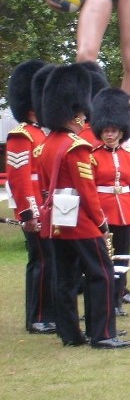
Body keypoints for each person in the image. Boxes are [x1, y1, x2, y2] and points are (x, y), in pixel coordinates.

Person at [37, 64, 130, 349]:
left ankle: (70, 333)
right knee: (101, 273)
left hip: (57, 219)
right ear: (77, 112)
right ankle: (101, 333)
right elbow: (87, 191)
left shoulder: (46, 145)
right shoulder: (76, 146)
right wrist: (101, 222)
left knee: (64, 277)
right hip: (80, 221)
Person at [6, 60, 56, 335]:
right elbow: (20, 179)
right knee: (40, 262)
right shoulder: (21, 136)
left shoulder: (41, 134)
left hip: (48, 208)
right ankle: (37, 317)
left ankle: (50, 313)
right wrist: (28, 214)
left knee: (51, 262)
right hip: (35, 210)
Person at [90, 88, 130, 316]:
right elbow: (91, 190)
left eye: (113, 131)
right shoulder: (93, 156)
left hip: (125, 211)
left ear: (121, 132)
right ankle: (106, 302)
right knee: (104, 260)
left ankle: (118, 299)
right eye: (106, 131)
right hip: (104, 213)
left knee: (122, 257)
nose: (110, 135)